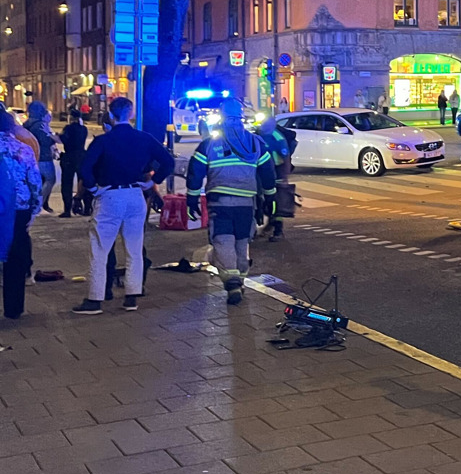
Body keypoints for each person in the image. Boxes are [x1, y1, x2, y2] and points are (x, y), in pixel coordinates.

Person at [73, 97, 174, 314]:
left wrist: (92, 189)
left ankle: (95, 299)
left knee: (100, 248)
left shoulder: (102, 141)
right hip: (135, 195)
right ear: (131, 113)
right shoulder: (144, 139)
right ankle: (132, 296)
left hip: (109, 196)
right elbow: (168, 162)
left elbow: (85, 168)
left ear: (110, 115)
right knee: (134, 248)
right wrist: (152, 182)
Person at [185, 99, 275, 305]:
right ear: (241, 117)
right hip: (246, 202)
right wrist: (270, 198)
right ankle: (240, 280)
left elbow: (195, 172)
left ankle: (232, 282)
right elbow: (268, 172)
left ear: (221, 117)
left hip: (220, 201)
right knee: (242, 242)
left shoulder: (210, 142)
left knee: (223, 240)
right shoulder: (254, 143)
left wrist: (192, 199)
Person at [0, 107, 43, 319]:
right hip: (19, 208)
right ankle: (13, 308)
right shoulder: (22, 149)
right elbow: (35, 182)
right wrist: (34, 210)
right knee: (15, 258)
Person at [256, 115, 297, 242]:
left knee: (277, 203)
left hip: (277, 172)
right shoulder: (259, 135)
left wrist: (284, 177)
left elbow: (285, 157)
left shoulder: (277, 137)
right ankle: (269, 225)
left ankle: (278, 231)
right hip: (262, 172)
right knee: (261, 200)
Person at [24, 102, 58, 213]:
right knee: (50, 179)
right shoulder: (40, 125)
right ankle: (38, 203)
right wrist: (53, 137)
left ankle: (36, 202)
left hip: (32, 156)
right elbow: (46, 141)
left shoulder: (27, 124)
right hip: (43, 157)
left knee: (36, 181)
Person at [59, 112, 89, 216]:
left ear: (70, 117)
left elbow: (63, 140)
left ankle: (67, 210)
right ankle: (87, 208)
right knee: (83, 182)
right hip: (81, 156)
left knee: (67, 183)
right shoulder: (83, 129)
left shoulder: (68, 128)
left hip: (69, 157)